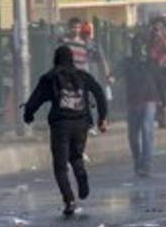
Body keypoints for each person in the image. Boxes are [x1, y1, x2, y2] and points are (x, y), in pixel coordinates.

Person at [23, 45, 110, 216]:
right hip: (81, 124)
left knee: (60, 166)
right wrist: (102, 117)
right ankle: (81, 176)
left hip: (60, 125)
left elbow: (36, 98)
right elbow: (99, 92)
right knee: (76, 157)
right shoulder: (82, 76)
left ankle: (69, 200)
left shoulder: (50, 77)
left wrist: (28, 114)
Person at [123, 32, 165, 177]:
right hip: (133, 100)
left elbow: (158, 80)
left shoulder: (150, 62)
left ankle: (146, 165)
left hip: (149, 99)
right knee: (133, 135)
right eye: (136, 45)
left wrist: (161, 101)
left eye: (141, 46)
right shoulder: (127, 62)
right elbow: (116, 73)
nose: (138, 49)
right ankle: (138, 161)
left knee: (147, 131)